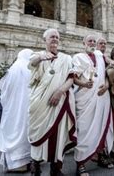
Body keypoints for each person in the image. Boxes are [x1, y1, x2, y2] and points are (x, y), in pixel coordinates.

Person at [28, 30, 77, 176]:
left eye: (57, 37)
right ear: (45, 40)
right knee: (39, 132)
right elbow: (32, 63)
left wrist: (60, 91)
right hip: (40, 102)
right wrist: (42, 57)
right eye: (52, 37)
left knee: (59, 133)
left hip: (60, 101)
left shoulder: (66, 58)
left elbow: (71, 78)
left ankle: (56, 168)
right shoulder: (37, 55)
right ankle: (35, 164)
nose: (55, 39)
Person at [72, 35, 113, 175]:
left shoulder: (100, 57)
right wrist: (84, 84)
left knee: (102, 127)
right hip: (85, 99)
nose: (92, 43)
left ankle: (100, 156)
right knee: (83, 130)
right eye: (89, 41)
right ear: (83, 42)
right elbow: (74, 77)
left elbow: (107, 75)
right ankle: (80, 163)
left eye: (94, 41)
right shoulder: (78, 57)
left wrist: (106, 86)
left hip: (101, 98)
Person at [0, 49, 33, 173]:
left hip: (11, 109)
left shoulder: (11, 70)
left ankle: (14, 164)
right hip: (25, 107)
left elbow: (2, 88)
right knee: (24, 132)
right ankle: (23, 162)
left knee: (12, 131)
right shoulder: (29, 69)